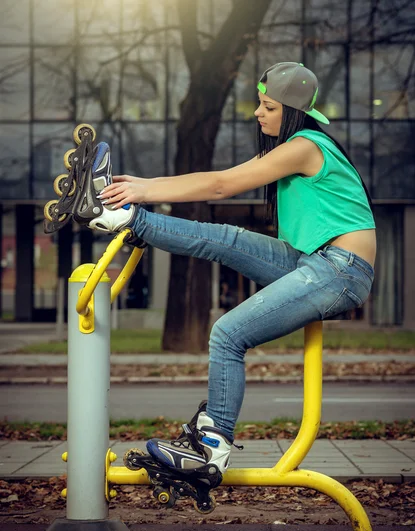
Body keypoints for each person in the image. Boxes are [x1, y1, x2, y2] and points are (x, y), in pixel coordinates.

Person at [89, 62, 376, 479]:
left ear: (292, 112)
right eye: (260, 105)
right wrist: (138, 185)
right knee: (224, 238)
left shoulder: (305, 145)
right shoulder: (292, 147)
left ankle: (212, 449)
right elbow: (218, 180)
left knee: (227, 333)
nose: (258, 114)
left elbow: (221, 185)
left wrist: (144, 188)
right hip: (315, 260)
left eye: (268, 106)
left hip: (340, 270)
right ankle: (130, 218)